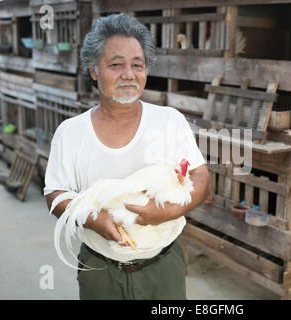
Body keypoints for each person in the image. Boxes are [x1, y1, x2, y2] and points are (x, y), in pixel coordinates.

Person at [44, 13, 211, 300]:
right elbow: (55, 193)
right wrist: (93, 218)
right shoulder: (70, 132)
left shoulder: (170, 121)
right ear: (94, 70)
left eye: (138, 65)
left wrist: (171, 210)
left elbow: (200, 176)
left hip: (164, 264)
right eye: (116, 64)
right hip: (100, 269)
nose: (129, 74)